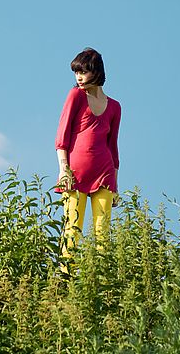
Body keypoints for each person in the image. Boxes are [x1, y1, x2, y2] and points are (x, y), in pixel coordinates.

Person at [55, 47, 121, 261]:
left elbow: (113, 147)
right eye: (76, 73)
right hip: (74, 173)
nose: (79, 77)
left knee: (103, 236)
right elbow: (62, 136)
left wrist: (115, 186)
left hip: (104, 174)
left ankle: (102, 286)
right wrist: (64, 169)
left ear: (97, 72)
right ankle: (67, 283)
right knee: (71, 231)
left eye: (83, 72)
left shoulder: (115, 107)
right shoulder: (75, 95)